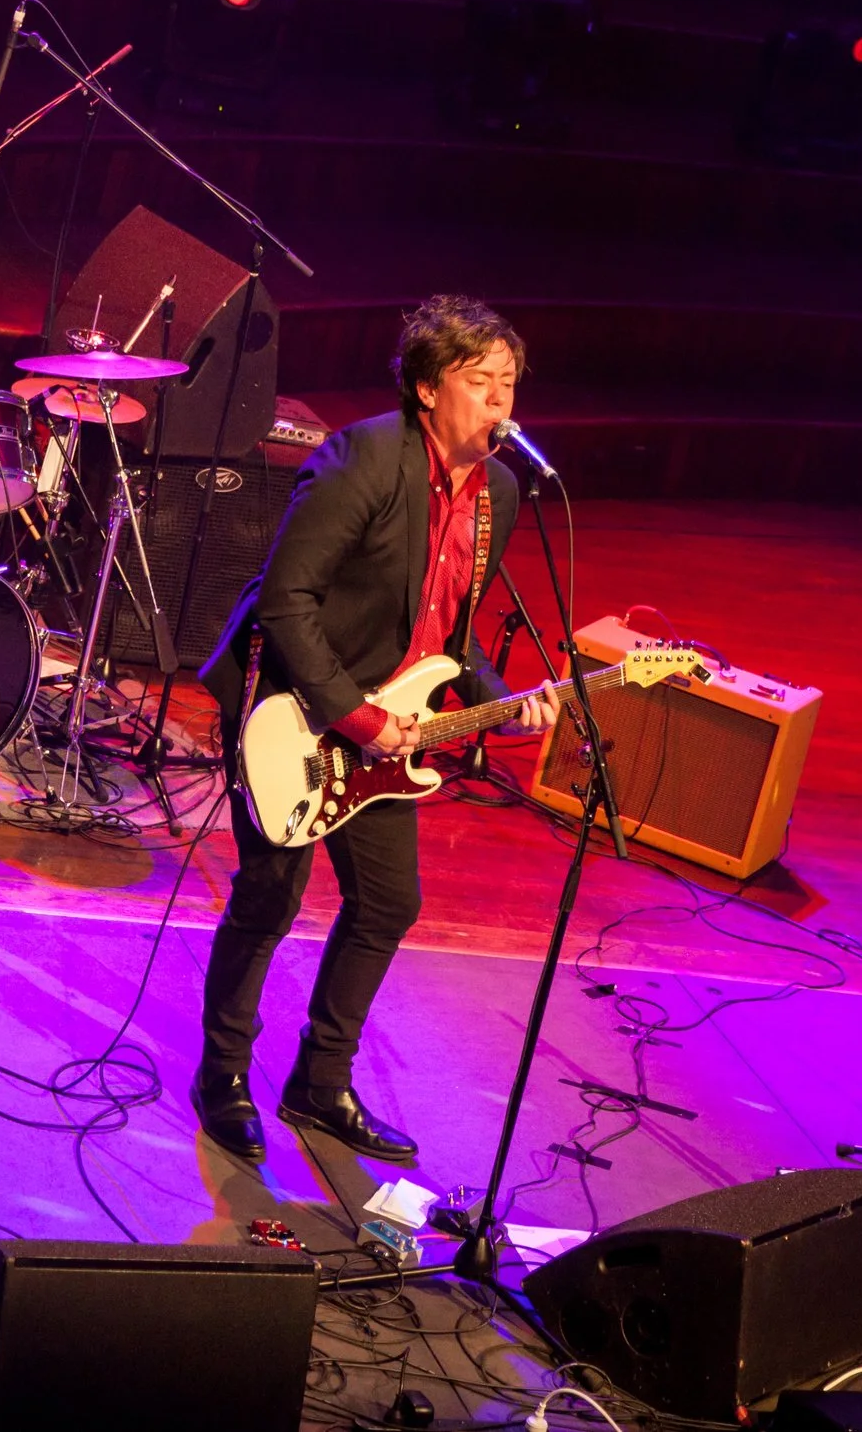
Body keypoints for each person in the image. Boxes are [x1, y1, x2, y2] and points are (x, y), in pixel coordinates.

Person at [192, 296, 560, 1165]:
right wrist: (354, 717)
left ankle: (321, 1084)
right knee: (272, 895)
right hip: (291, 700)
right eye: (481, 384)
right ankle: (223, 1074)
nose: (501, 404)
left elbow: (451, 631)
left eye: (509, 385)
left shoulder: (496, 493)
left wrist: (508, 699)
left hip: (390, 723)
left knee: (389, 901)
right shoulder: (361, 459)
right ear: (431, 388)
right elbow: (286, 603)